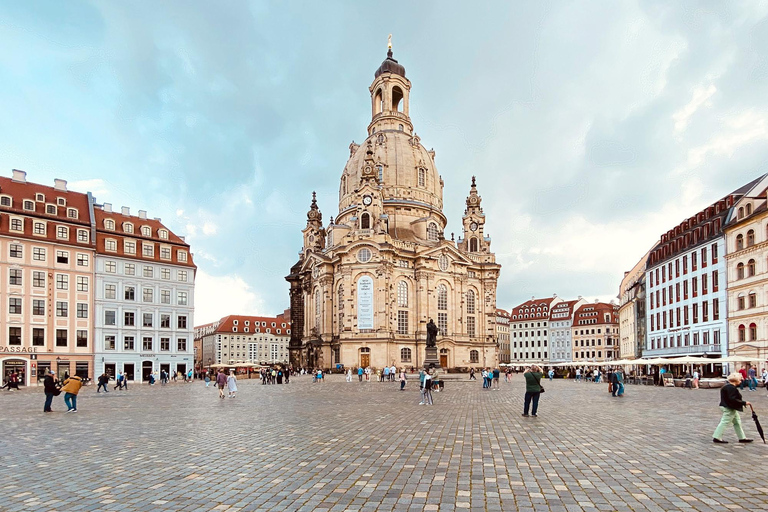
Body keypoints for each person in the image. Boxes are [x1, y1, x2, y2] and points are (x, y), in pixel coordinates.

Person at [713, 373, 753, 444]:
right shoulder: (731, 388)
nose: (741, 381)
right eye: (740, 380)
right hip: (729, 407)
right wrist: (743, 402)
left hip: (728, 406)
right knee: (725, 422)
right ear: (736, 380)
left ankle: (742, 437)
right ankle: (717, 436)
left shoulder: (726, 386)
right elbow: (733, 399)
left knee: (737, 422)